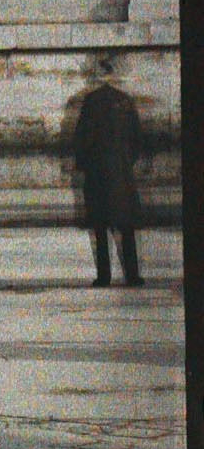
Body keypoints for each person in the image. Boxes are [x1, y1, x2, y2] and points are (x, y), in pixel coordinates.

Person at [72, 56, 145, 288]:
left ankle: (104, 277)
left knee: (100, 230)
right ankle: (132, 275)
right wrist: (126, 163)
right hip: (122, 174)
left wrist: (84, 166)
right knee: (126, 229)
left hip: (97, 175)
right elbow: (137, 141)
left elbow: (81, 140)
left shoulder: (90, 101)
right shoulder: (125, 101)